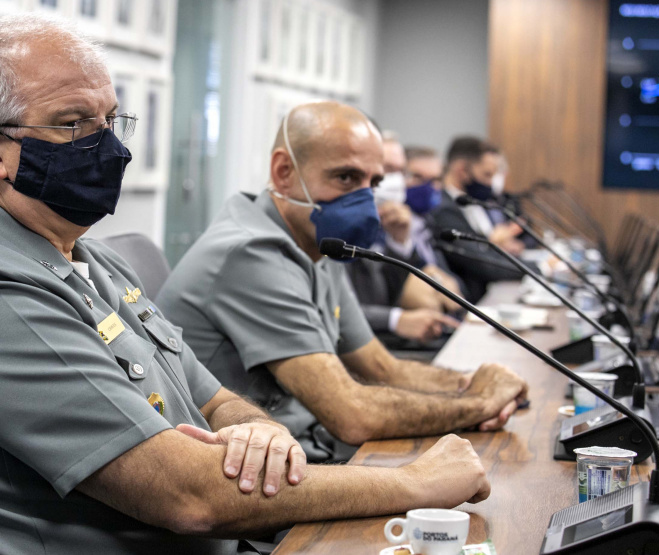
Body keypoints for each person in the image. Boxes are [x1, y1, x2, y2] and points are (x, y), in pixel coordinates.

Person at [0, 14, 492, 554]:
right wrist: (414, 483)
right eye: (74, 124)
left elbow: (212, 397)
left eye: (110, 119)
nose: (110, 147)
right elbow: (188, 496)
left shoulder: (86, 257)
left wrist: (260, 430)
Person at [156, 101, 528, 463]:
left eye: (373, 182)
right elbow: (351, 414)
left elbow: (382, 367)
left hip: (308, 447)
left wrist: (470, 383)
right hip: (249, 474)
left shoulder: (319, 242)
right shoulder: (250, 253)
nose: (365, 198)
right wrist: (479, 403)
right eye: (346, 177)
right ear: (284, 171)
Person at [347, 135, 462, 346]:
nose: (396, 180)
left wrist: (400, 241)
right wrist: (396, 319)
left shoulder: (405, 223)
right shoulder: (345, 223)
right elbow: (337, 307)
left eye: (401, 171)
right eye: (388, 170)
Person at [429, 136, 528, 302]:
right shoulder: (443, 209)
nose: (490, 184)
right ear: (462, 171)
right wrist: (540, 268)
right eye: (487, 175)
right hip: (470, 302)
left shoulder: (475, 202)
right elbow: (481, 262)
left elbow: (486, 247)